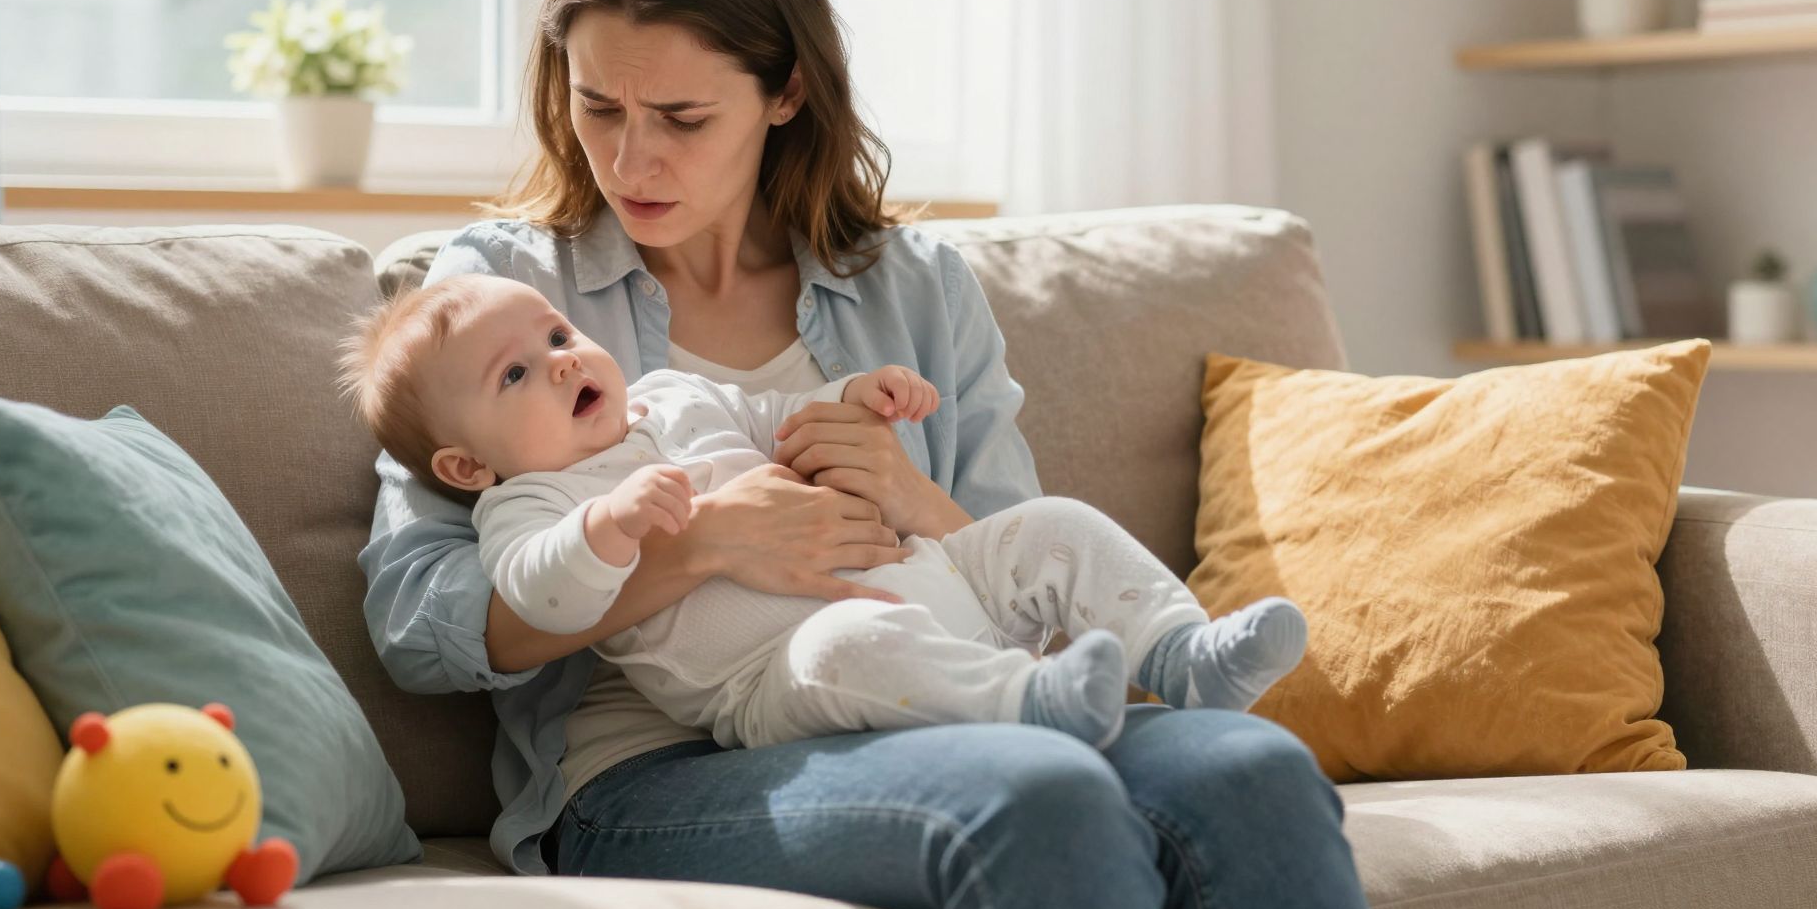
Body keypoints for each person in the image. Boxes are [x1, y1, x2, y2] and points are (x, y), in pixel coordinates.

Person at [359, 0, 1383, 909]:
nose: (628, 158)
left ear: (785, 91)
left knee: (1251, 769)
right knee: (1035, 795)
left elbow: (1022, 585)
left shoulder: (913, 288)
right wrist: (699, 546)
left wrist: (908, 499)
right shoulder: (502, 300)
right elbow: (419, 623)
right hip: (653, 766)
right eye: (597, 105)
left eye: (681, 117)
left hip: (940, 688)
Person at [344, 273, 1310, 753]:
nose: (562, 360)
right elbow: (540, 597)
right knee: (843, 644)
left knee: (1054, 524)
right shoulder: (531, 506)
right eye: (517, 373)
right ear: (467, 463)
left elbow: (780, 420)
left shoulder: (670, 397)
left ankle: (1182, 652)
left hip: (935, 577)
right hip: (772, 678)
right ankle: (1032, 705)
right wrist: (618, 529)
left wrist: (861, 398)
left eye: (557, 334)